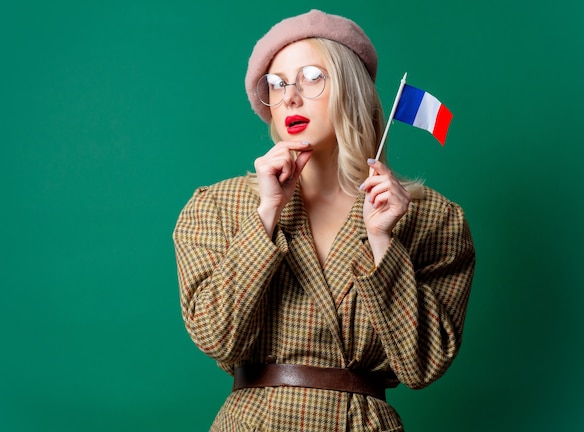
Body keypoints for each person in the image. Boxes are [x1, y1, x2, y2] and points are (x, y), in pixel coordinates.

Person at [173, 9, 475, 431]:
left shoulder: (434, 219)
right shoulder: (217, 207)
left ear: (350, 88)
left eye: (312, 77)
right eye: (276, 86)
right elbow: (214, 336)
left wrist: (382, 241)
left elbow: (423, 365)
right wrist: (266, 215)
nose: (291, 98)